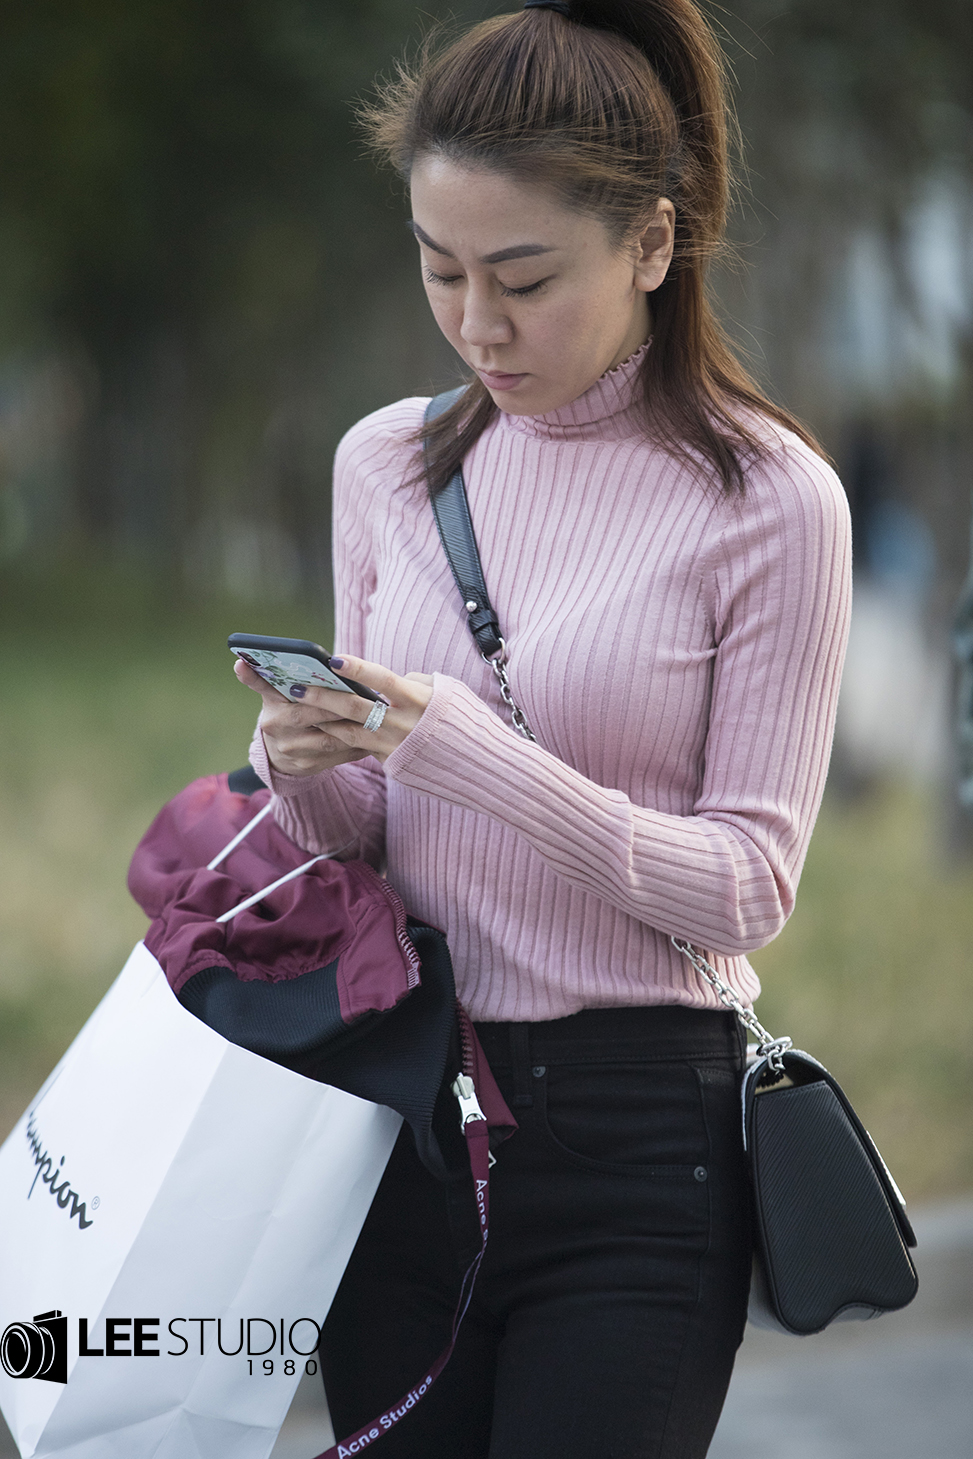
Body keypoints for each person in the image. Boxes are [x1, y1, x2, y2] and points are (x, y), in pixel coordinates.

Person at [234, 2, 852, 1454]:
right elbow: (365, 843)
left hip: (639, 1144)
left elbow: (747, 886)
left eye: (521, 278)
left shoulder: (769, 502)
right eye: (440, 270)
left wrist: (461, 750)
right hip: (401, 1115)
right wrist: (303, 764)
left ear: (651, 241)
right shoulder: (386, 462)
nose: (475, 323)